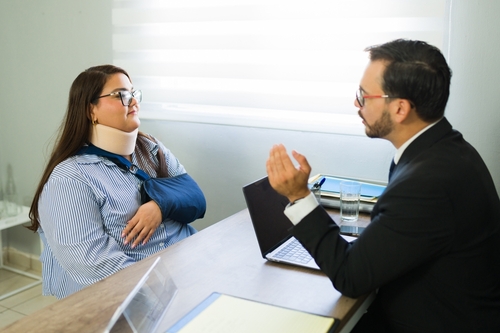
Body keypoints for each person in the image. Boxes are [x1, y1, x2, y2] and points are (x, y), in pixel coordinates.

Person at [266, 39, 500, 332]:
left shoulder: (427, 182)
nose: (356, 103)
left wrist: (299, 196)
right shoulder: (445, 149)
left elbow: (351, 278)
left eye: (364, 95)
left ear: (400, 108)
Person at [28, 65, 206, 299]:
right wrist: (163, 289)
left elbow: (197, 200)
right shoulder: (69, 179)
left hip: (191, 267)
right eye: (121, 95)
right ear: (91, 110)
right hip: (139, 296)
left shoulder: (150, 149)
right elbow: (94, 263)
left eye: (133, 93)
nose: (133, 101)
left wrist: (159, 206)